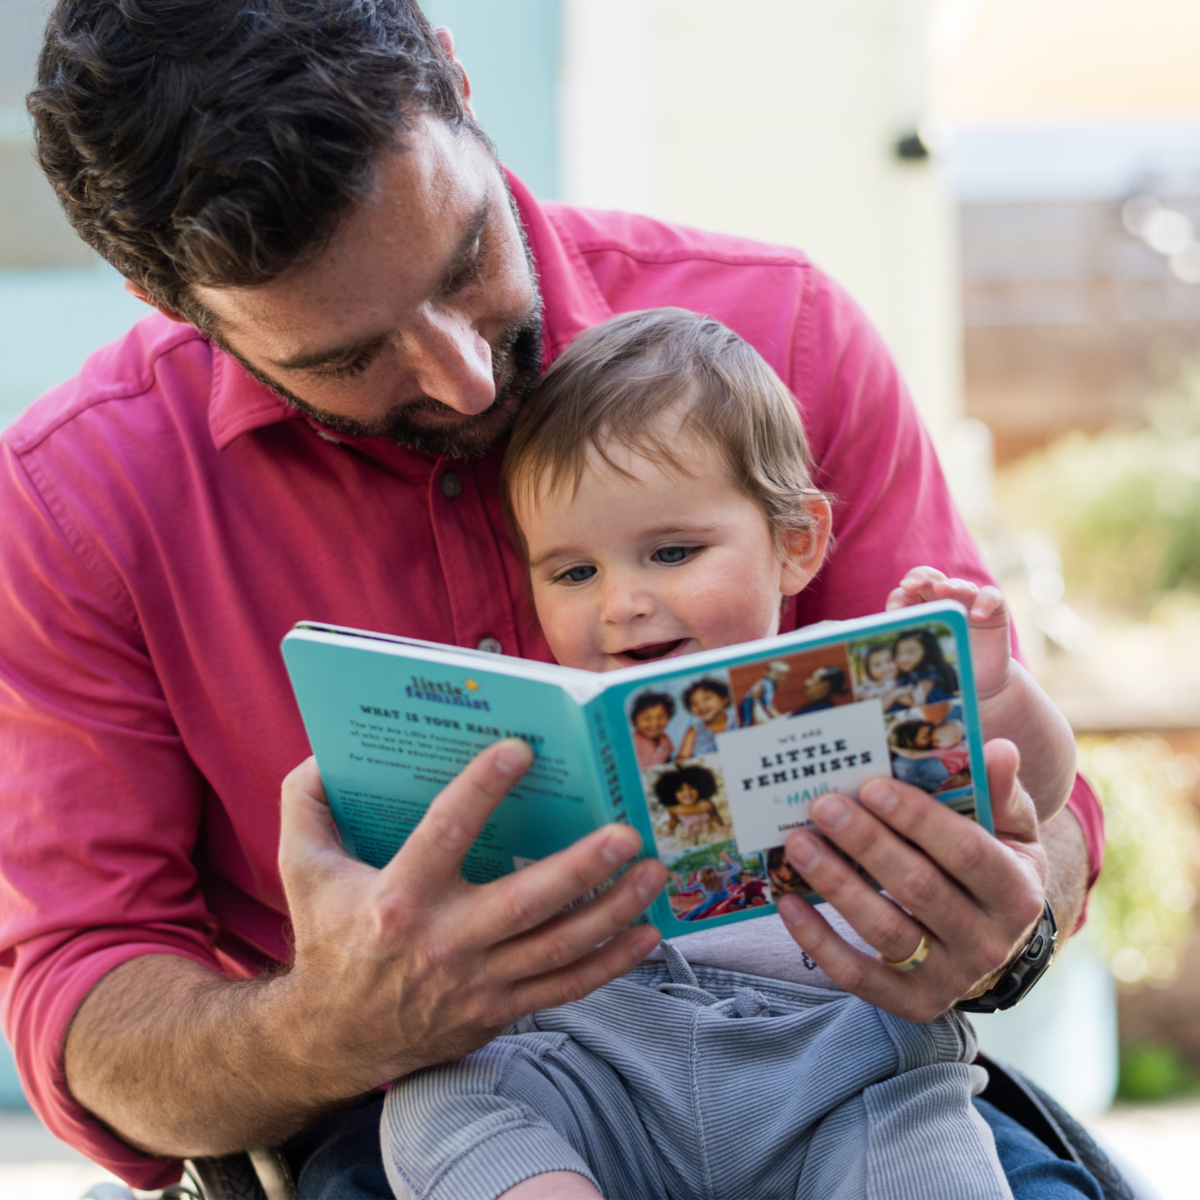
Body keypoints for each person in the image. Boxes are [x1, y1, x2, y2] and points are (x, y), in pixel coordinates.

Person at [0, 2, 1102, 1194]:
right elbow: (85, 988)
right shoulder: (73, 505)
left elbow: (1037, 799)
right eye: (349, 359)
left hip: (834, 1070)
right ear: (167, 302)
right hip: (448, 1112)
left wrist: (1008, 923)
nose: (464, 376)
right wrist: (332, 1023)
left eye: (465, 259)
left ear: (460, 87)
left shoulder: (780, 333)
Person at [379, 306, 1082, 1200]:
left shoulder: (850, 681)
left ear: (797, 544)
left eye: (671, 551)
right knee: (445, 1100)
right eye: (573, 572)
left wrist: (990, 694)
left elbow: (1041, 791)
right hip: (599, 1065)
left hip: (840, 1066)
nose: (621, 603)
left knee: (926, 1138)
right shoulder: (540, 721)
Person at [676, 678, 738, 759]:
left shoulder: (739, 720)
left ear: (725, 699)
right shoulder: (693, 732)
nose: (701, 706)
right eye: (694, 703)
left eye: (706, 698)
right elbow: (682, 759)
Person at [628, 691, 676, 769]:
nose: (655, 723)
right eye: (647, 718)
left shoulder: (666, 739)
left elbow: (667, 761)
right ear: (634, 721)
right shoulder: (633, 742)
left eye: (661, 717)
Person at [736, 659, 790, 725]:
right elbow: (768, 706)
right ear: (767, 672)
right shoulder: (768, 684)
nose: (781, 677)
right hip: (747, 705)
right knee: (747, 723)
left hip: (749, 705)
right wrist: (778, 717)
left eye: (784, 674)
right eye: (777, 673)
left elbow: (769, 704)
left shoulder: (769, 683)